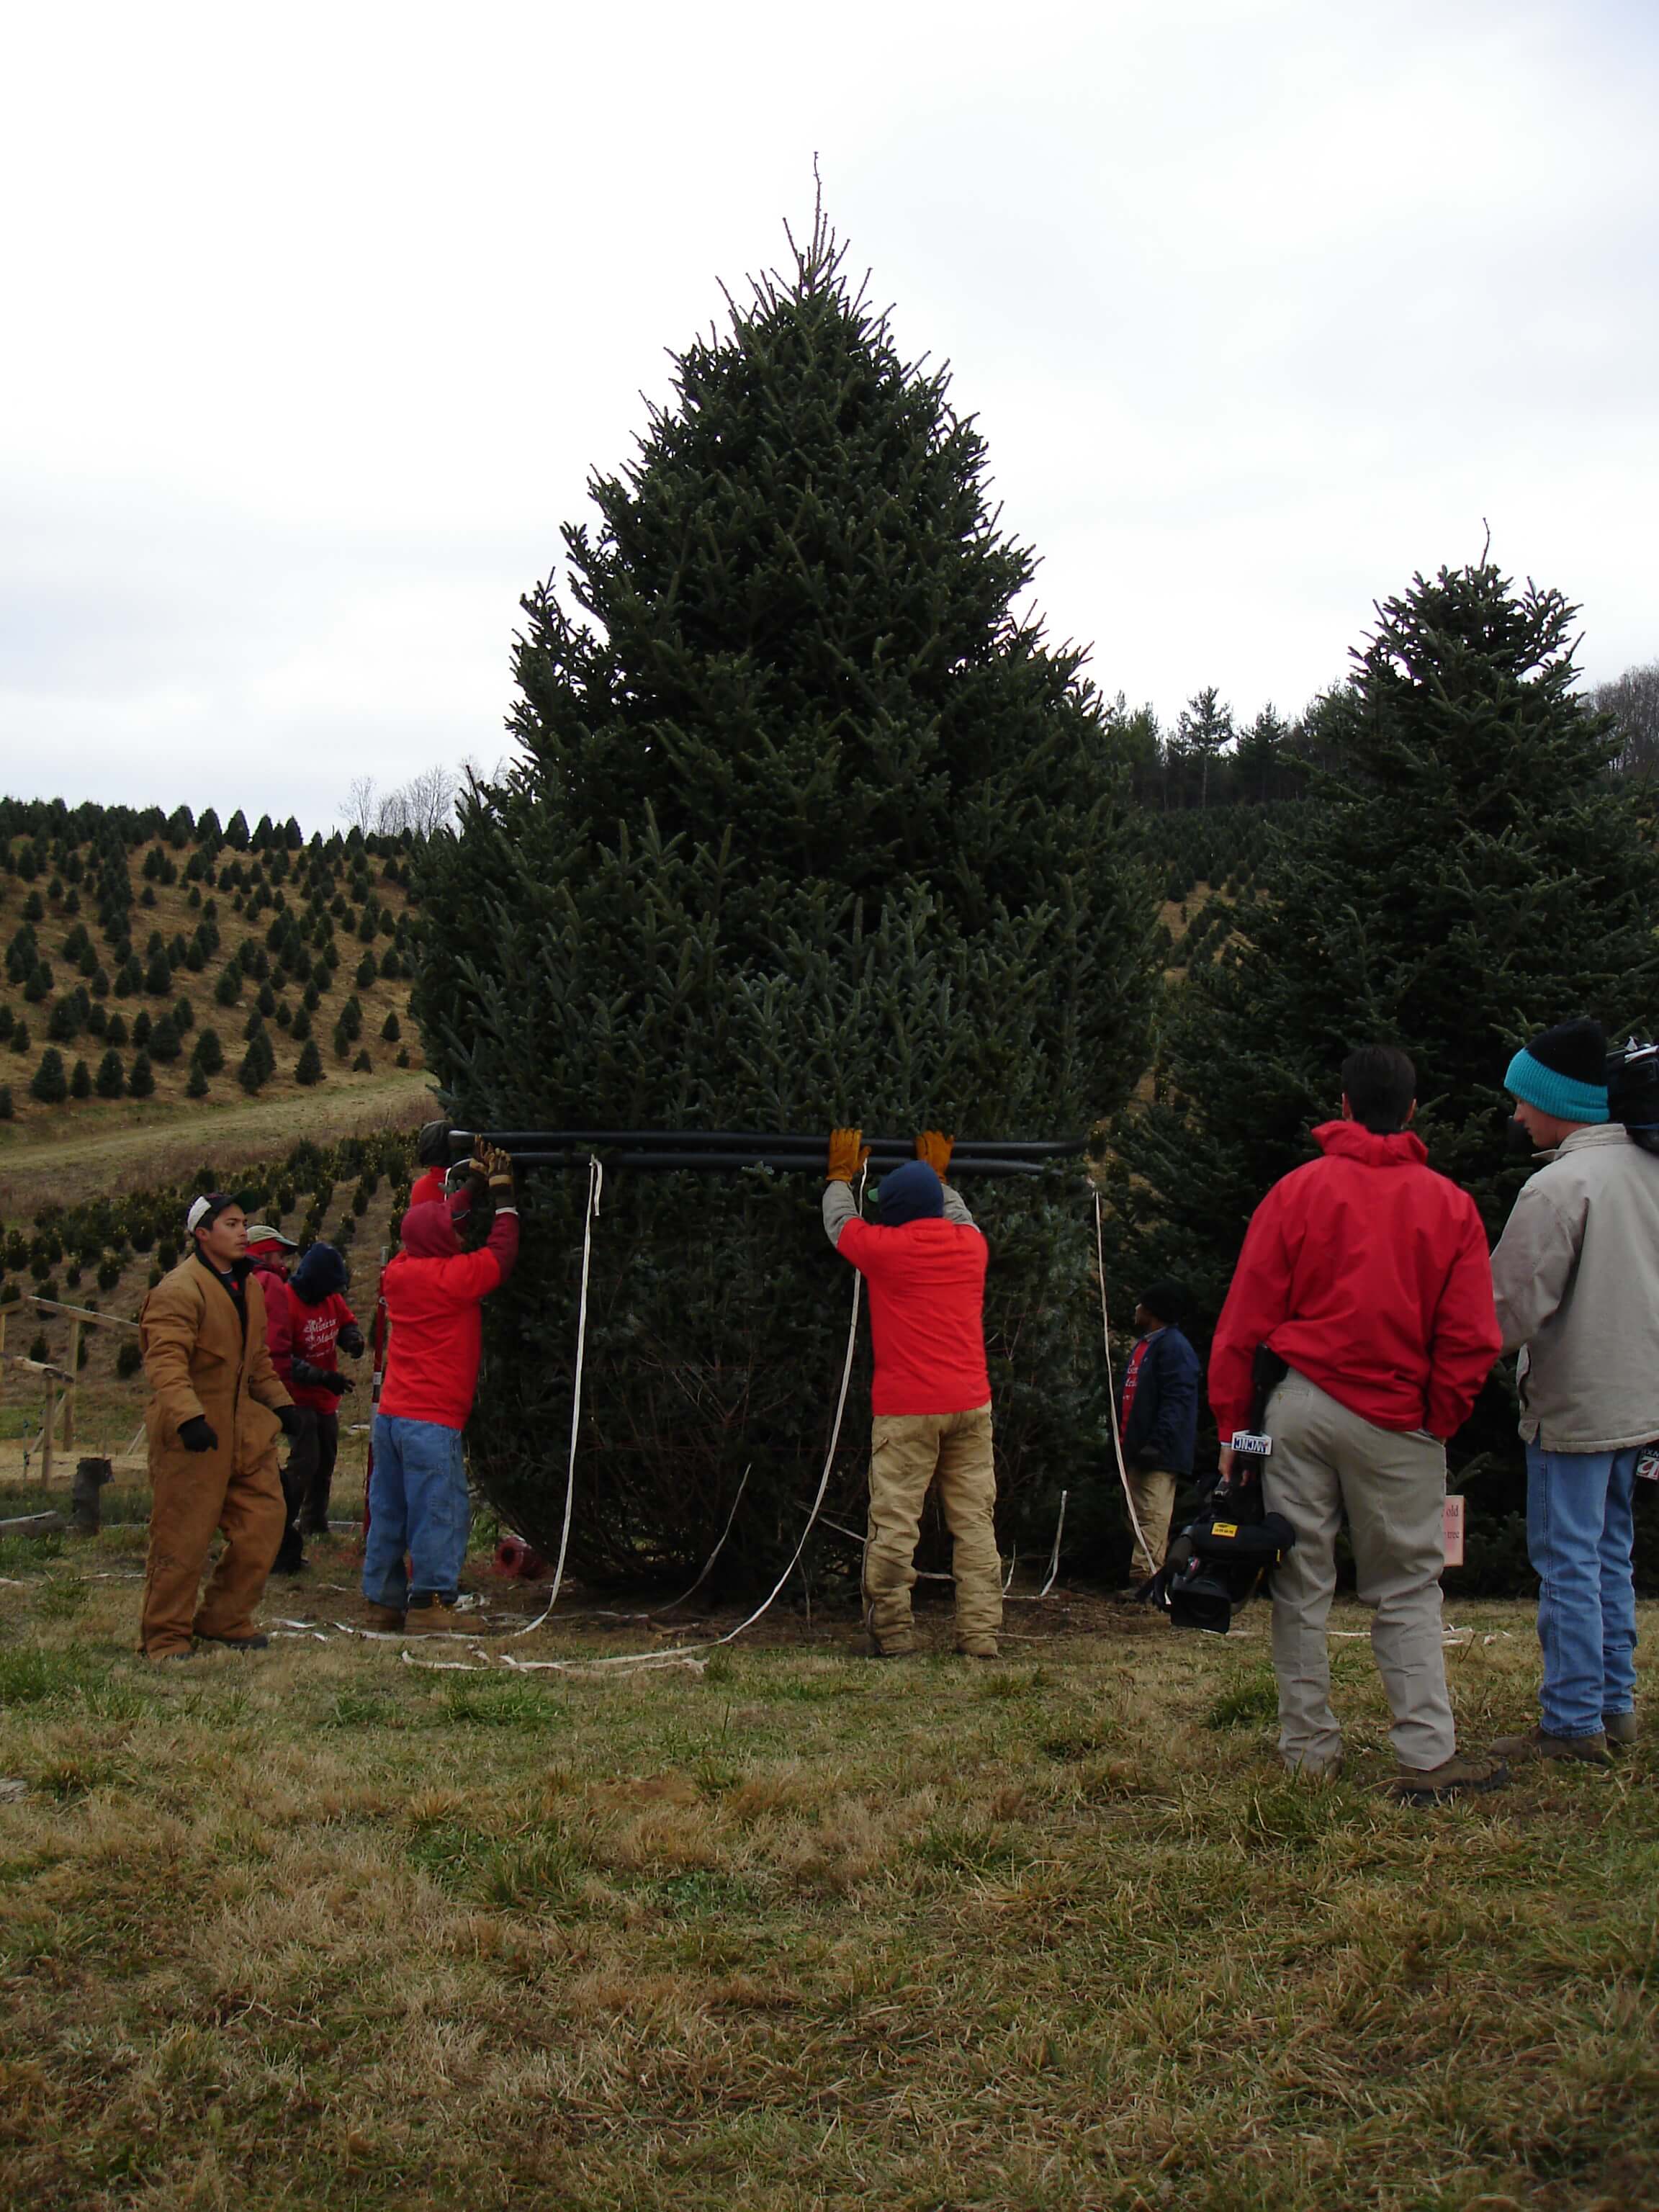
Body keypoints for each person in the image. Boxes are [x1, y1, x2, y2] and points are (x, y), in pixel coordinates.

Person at [1208, 1046, 1506, 1801]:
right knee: (1408, 1584)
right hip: (1399, 1418)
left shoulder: (1296, 1192)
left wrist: (1232, 1436)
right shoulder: (1451, 1206)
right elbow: (1472, 1338)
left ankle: (1307, 1752)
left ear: (1342, 1104)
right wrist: (1436, 1420)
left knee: (1299, 1581)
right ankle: (1426, 1755)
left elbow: (1243, 1326)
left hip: (1299, 1406)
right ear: (1411, 1111)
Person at [1488, 1019, 1658, 1766]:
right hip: (1641, 1402)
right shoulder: (1649, 1170)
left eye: (1524, 1100)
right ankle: (1615, 1708)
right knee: (1610, 1558)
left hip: (1576, 1405)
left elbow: (1510, 1309)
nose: (1517, 1114)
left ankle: (1570, 1724)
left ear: (1559, 1101)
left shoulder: (1559, 1185)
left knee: (1567, 1562)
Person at [823, 1128, 1002, 1660]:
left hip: (906, 1412)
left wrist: (839, 1176)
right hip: (971, 1404)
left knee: (896, 1522)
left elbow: (840, 1222)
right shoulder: (972, 1246)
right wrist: (940, 1179)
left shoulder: (885, 1251)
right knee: (975, 1523)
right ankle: (980, 1636)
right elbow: (960, 1212)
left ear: (897, 1212)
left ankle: (893, 1634)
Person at [138, 1192, 304, 1659]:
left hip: (244, 1433)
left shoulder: (248, 1287)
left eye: (244, 1223)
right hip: (192, 1437)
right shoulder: (178, 1291)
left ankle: (224, 1618)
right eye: (231, 1224)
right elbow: (165, 1363)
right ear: (202, 1234)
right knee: (182, 1539)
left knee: (265, 1522)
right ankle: (165, 1636)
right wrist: (189, 1418)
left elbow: (258, 1364)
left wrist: (284, 1408)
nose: (242, 1231)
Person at [361, 1141, 519, 1633]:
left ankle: (384, 1600)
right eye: (453, 1229)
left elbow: (435, 1221)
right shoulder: (455, 1277)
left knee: (389, 1508)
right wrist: (506, 1196)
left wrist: (471, 1187)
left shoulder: (399, 1273)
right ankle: (431, 1602)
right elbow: (502, 1253)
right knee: (439, 1509)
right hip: (431, 1420)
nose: (459, 1230)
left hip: (391, 1417)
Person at [257, 1238, 364, 1570]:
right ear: (314, 1281)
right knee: (305, 1460)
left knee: (326, 1458)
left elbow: (347, 1321)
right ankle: (279, 1525)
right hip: (296, 1396)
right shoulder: (287, 1302)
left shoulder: (330, 1297)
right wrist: (322, 1376)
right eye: (329, 1287)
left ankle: (314, 1521)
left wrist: (352, 1339)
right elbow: (282, 1359)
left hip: (325, 1398)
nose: (333, 1294)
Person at [1115, 1279, 1200, 1588]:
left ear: (1152, 1310)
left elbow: (1178, 1399)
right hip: (1135, 1448)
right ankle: (1143, 1575)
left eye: (1141, 1304)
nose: (1136, 1308)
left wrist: (1158, 1442)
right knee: (1134, 1513)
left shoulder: (1174, 1348)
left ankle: (1147, 1583)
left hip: (1158, 1452)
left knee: (1152, 1515)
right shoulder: (1146, 1346)